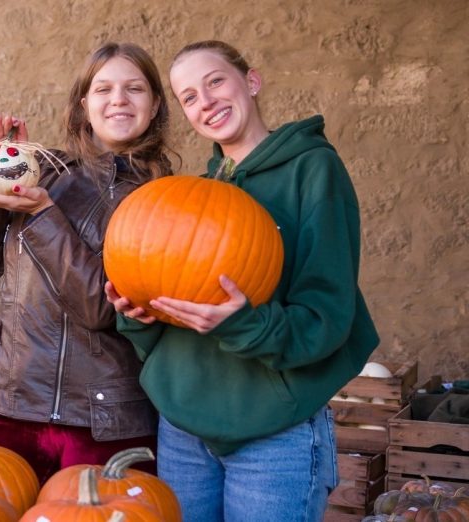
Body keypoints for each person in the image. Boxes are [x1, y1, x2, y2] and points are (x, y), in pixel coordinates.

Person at [105, 40, 380, 521]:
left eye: (215, 82)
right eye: (189, 96)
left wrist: (241, 323)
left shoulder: (313, 170)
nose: (205, 101)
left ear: (251, 82)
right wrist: (140, 315)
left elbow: (327, 317)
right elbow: (172, 318)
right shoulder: (193, 194)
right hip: (183, 429)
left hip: (274, 432)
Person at [0, 42, 173, 485]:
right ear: (83, 104)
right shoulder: (42, 171)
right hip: (11, 405)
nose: (118, 99)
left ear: (154, 107)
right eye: (104, 88)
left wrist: (41, 214)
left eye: (135, 89)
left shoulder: (163, 200)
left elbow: (101, 309)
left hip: (106, 419)